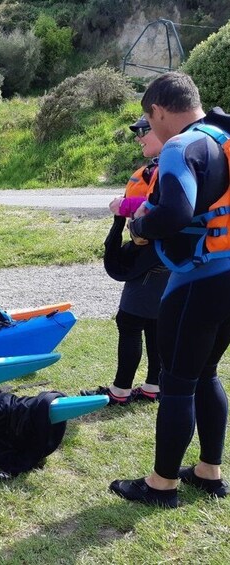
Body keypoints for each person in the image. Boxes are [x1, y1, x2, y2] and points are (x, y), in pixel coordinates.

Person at [109, 72, 230, 507]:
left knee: (177, 383)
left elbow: (174, 211)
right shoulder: (223, 137)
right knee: (207, 373)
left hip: (200, 278)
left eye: (149, 118)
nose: (150, 127)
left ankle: (161, 485)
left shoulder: (181, 145)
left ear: (159, 110)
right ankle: (208, 471)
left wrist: (140, 226)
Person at [81, 116, 169, 406]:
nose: (138, 137)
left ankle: (119, 392)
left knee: (129, 321)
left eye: (144, 131)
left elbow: (160, 208)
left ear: (160, 128)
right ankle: (153, 386)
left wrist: (126, 207)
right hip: (166, 259)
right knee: (155, 323)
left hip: (151, 260)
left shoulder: (168, 164)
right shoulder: (171, 162)